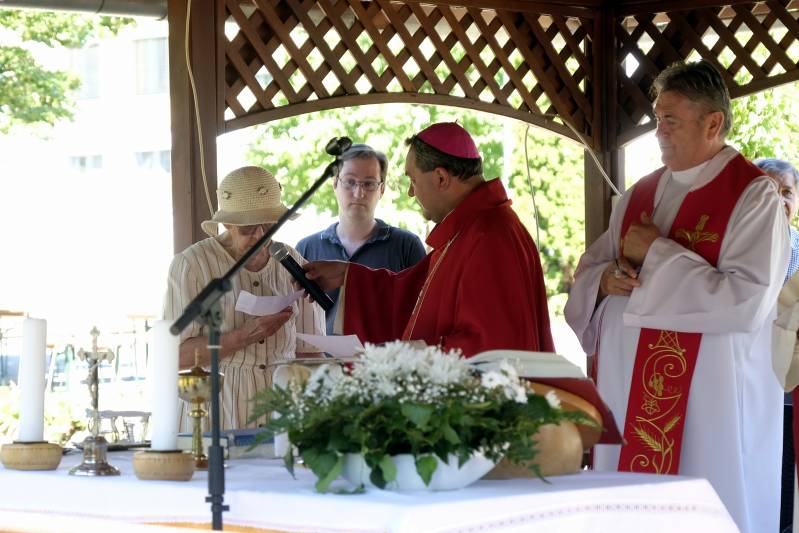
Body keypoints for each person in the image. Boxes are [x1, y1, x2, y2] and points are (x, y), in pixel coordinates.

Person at [564, 60, 788, 533]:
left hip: (711, 404)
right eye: (657, 119)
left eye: (672, 120)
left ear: (714, 123)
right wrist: (605, 281)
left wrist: (657, 253)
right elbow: (590, 270)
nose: (659, 132)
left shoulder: (754, 197)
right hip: (628, 393)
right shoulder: (637, 195)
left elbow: (745, 300)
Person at [301, 122, 555, 357]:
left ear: (441, 178)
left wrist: (403, 355)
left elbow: (491, 346)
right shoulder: (471, 230)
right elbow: (410, 292)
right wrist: (348, 276)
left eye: (413, 180)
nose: (411, 193)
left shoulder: (489, 237)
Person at [163, 166, 325, 430]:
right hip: (216, 410)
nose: (260, 235)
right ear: (227, 223)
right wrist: (244, 335)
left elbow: (311, 353)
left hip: (282, 411)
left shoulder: (292, 261)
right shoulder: (192, 264)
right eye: (248, 228)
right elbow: (175, 356)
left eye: (269, 224)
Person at [296, 144, 426, 334]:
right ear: (334, 184)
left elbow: (421, 313)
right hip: (319, 362)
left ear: (381, 189)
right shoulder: (307, 248)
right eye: (350, 182)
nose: (358, 193)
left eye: (369, 183)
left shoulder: (406, 246)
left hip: (384, 361)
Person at [755, 158, 799, 281]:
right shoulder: (729, 236)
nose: (779, 201)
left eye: (787, 192)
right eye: (769, 191)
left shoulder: (797, 253)